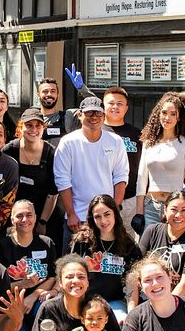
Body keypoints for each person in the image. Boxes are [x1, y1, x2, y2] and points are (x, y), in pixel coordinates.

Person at [54, 96, 130, 250]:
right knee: (72, 261)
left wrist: (114, 211)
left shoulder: (116, 141)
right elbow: (62, 180)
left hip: (107, 219)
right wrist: (71, 213)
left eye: (98, 113)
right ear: (79, 115)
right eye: (89, 113)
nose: (94, 117)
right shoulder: (67, 142)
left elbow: (121, 177)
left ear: (103, 115)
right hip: (77, 218)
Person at [0, 199, 59, 331]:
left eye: (29, 215)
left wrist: (33, 295)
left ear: (35, 218)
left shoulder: (47, 243)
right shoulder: (2, 246)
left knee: (45, 305)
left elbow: (52, 277)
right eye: (19, 216)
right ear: (12, 219)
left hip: (38, 302)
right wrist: (23, 284)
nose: (24, 220)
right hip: (14, 306)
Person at [69, 194, 142, 321]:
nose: (103, 221)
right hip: (86, 301)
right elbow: (70, 275)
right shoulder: (82, 241)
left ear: (115, 214)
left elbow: (132, 285)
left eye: (107, 214)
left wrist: (131, 314)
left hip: (115, 303)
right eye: (98, 217)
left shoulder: (128, 245)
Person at [135, 92, 185, 232]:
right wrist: (139, 212)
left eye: (172, 114)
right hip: (150, 205)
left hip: (175, 208)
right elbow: (141, 178)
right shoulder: (149, 142)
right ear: (158, 114)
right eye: (164, 112)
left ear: (179, 117)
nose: (167, 117)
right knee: (148, 244)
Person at [137, 191, 185, 313]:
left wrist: (162, 310)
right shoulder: (152, 231)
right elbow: (135, 272)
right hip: (152, 294)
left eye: (184, 210)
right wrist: (133, 307)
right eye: (174, 209)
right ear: (165, 210)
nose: (178, 215)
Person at [4, 107, 58, 233]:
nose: (33, 129)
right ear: (20, 127)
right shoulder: (9, 150)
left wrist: (42, 222)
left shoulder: (51, 153)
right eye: (29, 125)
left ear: (43, 128)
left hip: (44, 216)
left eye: (38, 126)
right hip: (13, 218)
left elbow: (53, 194)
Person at [103, 86, 143, 217]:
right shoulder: (96, 133)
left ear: (126, 108)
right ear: (103, 106)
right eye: (111, 103)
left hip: (131, 199)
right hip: (102, 199)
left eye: (120, 104)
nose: (115, 107)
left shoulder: (138, 134)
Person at [37, 77, 69, 145]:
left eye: (53, 91)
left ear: (57, 95)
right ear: (38, 95)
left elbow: (92, 106)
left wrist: (82, 89)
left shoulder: (68, 117)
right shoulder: (31, 118)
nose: (49, 94)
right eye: (45, 91)